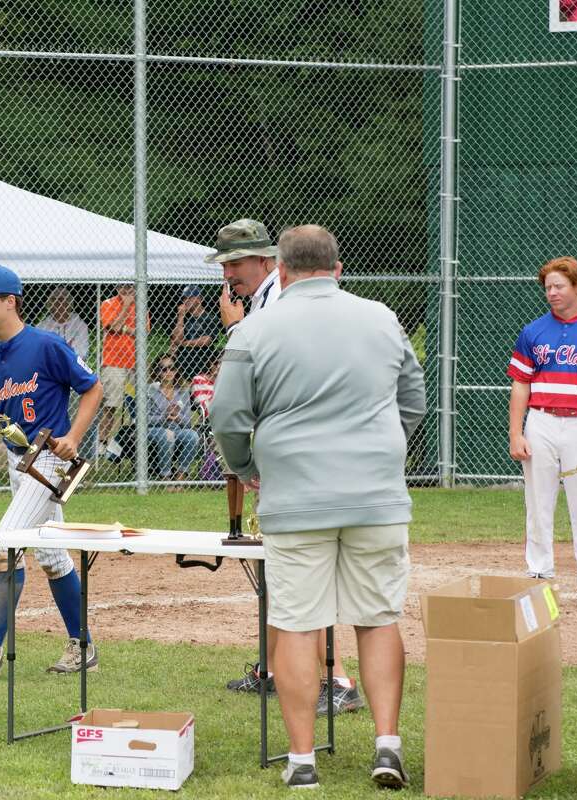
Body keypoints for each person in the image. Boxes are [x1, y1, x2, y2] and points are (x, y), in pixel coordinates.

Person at [210, 225, 426, 789]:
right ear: (338, 267)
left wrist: (249, 469)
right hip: (375, 495)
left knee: (298, 626)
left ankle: (302, 760)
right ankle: (386, 746)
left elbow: (228, 417)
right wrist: (382, 449)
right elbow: (414, 400)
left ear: (281, 269)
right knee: (378, 619)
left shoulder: (255, 329)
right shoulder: (381, 317)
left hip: (296, 495)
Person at [209, 217, 360, 713]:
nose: (228, 273)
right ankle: (276, 666)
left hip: (301, 455)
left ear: (263, 259)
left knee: (302, 569)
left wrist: (237, 330)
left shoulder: (276, 300)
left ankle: (337, 679)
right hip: (292, 449)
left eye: (234, 263)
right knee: (281, 565)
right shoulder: (266, 296)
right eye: (226, 264)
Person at [0, 265, 103, 675]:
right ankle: (82, 646)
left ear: (10, 301)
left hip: (48, 459)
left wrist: (75, 436)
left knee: (6, 543)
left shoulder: (46, 345)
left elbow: (92, 387)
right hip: (19, 462)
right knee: (50, 554)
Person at [507, 255, 577, 606]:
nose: (552, 293)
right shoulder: (534, 331)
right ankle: (539, 574)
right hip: (541, 421)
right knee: (538, 501)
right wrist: (517, 433)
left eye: (559, 286)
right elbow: (520, 385)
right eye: (547, 287)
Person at [98, 283, 148, 448]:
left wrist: (124, 328)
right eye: (122, 286)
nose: (126, 290)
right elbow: (112, 327)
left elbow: (143, 332)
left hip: (135, 363)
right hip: (113, 362)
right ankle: (102, 444)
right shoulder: (108, 303)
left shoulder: (141, 306)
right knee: (111, 406)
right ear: (117, 287)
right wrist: (126, 307)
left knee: (137, 407)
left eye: (130, 286)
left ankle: (128, 445)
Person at [145, 355, 200, 488]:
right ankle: (166, 477)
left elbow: (188, 422)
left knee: (192, 435)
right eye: (164, 369)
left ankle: (180, 477)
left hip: (177, 429)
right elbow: (143, 419)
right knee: (167, 434)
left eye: (172, 368)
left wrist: (178, 417)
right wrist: (164, 417)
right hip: (154, 430)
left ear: (177, 371)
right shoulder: (150, 389)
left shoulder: (183, 391)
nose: (169, 372)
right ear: (157, 372)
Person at [171, 285, 218, 383]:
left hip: (202, 368)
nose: (186, 301)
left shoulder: (210, 318)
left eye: (189, 298)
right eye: (184, 298)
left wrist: (183, 343)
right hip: (183, 368)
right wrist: (180, 316)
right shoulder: (183, 318)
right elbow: (175, 339)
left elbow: (206, 341)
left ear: (199, 299)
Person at [37, 285, 89, 361]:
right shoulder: (41, 327)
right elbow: (40, 352)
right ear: (49, 303)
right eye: (54, 299)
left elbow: (82, 353)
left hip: (72, 366)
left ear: (68, 302)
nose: (57, 303)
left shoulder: (80, 325)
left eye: (61, 299)